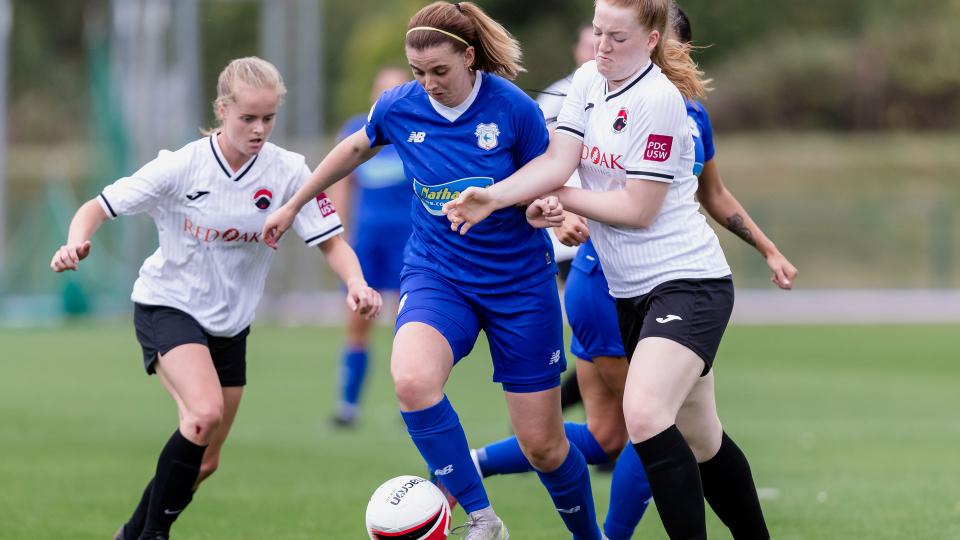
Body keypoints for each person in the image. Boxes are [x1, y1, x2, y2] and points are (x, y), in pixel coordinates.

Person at [444, 0, 799, 538]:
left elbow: (638, 209)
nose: (602, 47)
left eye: (618, 38)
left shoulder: (661, 101)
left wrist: (557, 195)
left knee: (645, 414)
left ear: (653, 40)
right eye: (598, 33)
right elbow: (559, 162)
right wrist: (496, 197)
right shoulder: (589, 81)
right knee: (702, 438)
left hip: (689, 283)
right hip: (630, 292)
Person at [261, 3, 603, 539]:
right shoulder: (400, 106)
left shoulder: (512, 109)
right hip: (439, 275)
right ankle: (483, 519)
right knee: (412, 379)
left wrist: (556, 216)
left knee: (543, 444)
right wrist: (292, 204)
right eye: (419, 73)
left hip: (518, 284)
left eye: (439, 71)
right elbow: (352, 149)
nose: (429, 84)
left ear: (469, 57)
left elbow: (546, 186)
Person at [50, 57, 382, 540]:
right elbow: (96, 207)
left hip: (231, 326)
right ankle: (152, 536)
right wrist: (74, 241)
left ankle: (130, 533)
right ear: (223, 109)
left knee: (204, 461)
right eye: (248, 117)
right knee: (202, 414)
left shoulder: (289, 170)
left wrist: (355, 282)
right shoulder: (181, 165)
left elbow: (331, 241)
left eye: (268, 118)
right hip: (168, 305)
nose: (259, 129)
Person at [327, 66, 412, 427]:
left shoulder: (416, 132)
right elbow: (342, 184)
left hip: (410, 242)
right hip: (368, 243)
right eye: (381, 91)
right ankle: (348, 406)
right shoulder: (357, 131)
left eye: (395, 90)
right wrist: (337, 236)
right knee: (358, 320)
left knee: (408, 324)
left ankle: (411, 404)